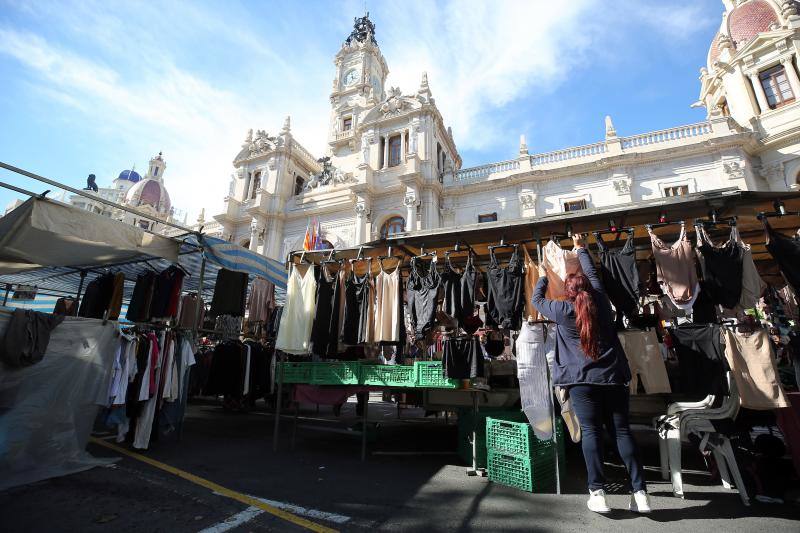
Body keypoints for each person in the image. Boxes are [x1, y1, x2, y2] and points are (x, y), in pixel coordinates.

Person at [532, 234, 650, 514]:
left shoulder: (562, 310)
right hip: (612, 377)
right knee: (622, 432)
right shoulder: (601, 303)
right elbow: (594, 275)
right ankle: (641, 492)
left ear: (568, 292)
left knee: (591, 433)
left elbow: (537, 299)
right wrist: (580, 249)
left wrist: (543, 275)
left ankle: (598, 492)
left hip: (580, 381)